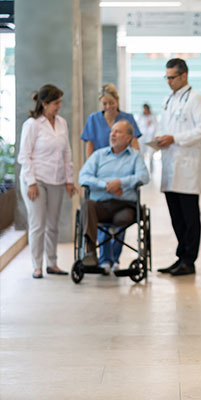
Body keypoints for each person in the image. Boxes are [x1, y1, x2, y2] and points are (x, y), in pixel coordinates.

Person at [155, 58, 201, 276]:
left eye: (172, 77)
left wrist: (175, 138)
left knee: (189, 216)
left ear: (184, 76)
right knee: (176, 216)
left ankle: (189, 260)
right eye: (167, 77)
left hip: (187, 166)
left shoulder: (196, 99)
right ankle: (180, 257)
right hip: (170, 165)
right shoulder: (169, 99)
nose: (169, 81)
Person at [81, 83, 143, 272]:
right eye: (104, 103)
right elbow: (90, 149)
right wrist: (98, 177)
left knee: (119, 223)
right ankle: (103, 259)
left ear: (117, 101)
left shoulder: (127, 119)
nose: (108, 107)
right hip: (102, 173)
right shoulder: (93, 119)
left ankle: (114, 258)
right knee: (99, 219)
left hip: (123, 175)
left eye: (111, 103)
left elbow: (135, 147)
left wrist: (131, 169)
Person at [18, 84, 76, 279]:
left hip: (57, 180)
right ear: (44, 104)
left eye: (60, 102)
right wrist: (31, 182)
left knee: (53, 224)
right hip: (36, 180)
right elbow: (24, 156)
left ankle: (52, 263)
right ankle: (37, 265)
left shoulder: (62, 123)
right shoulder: (32, 125)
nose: (59, 106)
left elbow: (67, 152)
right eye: (56, 103)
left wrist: (69, 180)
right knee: (38, 224)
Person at [136, 103, 158, 173]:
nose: (145, 110)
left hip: (151, 138)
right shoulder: (141, 117)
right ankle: (143, 171)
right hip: (142, 139)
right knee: (141, 155)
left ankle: (151, 172)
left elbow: (156, 127)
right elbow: (138, 127)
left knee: (151, 156)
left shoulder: (153, 116)